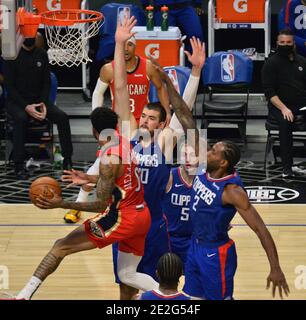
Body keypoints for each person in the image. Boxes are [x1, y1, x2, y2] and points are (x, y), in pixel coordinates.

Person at [154, 64, 290, 300]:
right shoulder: (206, 167)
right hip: (194, 247)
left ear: (224, 163)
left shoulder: (232, 190)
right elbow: (185, 115)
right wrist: (167, 81)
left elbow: (261, 230)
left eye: (214, 151)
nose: (207, 152)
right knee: (193, 299)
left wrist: (275, 267)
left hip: (216, 253)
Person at [15, 107, 159, 300]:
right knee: (127, 275)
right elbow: (118, 176)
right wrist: (88, 177)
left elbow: (100, 205)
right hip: (141, 214)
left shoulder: (109, 158)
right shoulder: (122, 141)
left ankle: (23, 296)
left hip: (122, 218)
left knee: (61, 246)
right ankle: (169, 294)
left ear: (94, 130)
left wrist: (62, 204)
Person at [112, 17, 205, 300]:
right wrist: (118, 45)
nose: (145, 119)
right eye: (144, 115)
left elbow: (183, 108)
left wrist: (196, 71)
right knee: (125, 285)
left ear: (162, 123)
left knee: (151, 283)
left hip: (152, 224)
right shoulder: (129, 134)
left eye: (152, 118)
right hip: (124, 218)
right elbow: (120, 88)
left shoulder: (164, 142)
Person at [63, 36, 170, 223]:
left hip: (143, 124)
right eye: (124, 44)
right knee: (103, 163)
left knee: (150, 165)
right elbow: (97, 93)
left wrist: (166, 112)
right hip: (120, 124)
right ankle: (80, 202)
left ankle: (155, 202)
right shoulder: (108, 69)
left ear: (136, 47)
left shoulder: (147, 67)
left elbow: (160, 87)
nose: (127, 48)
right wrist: (97, 119)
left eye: (130, 44)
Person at [3, 35, 73, 179]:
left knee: (62, 117)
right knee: (21, 118)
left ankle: (67, 160)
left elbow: (47, 82)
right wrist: (26, 106)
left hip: (39, 101)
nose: (30, 37)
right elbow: (9, 87)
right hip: (17, 102)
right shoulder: (12, 55)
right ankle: (19, 165)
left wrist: (42, 103)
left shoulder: (41, 54)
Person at [262, 28, 306, 177]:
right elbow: (269, 93)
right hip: (279, 105)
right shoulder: (271, 63)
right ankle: (287, 167)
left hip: (301, 104)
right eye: (282, 42)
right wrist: (284, 108)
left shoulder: (302, 61)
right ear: (277, 43)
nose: (285, 45)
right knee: (286, 122)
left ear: (294, 44)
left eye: (288, 42)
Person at [161, 144, 194, 266]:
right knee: (167, 278)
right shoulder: (170, 176)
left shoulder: (204, 180)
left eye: (192, 155)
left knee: (194, 279)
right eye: (184, 155)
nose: (188, 160)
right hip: (169, 238)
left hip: (194, 239)